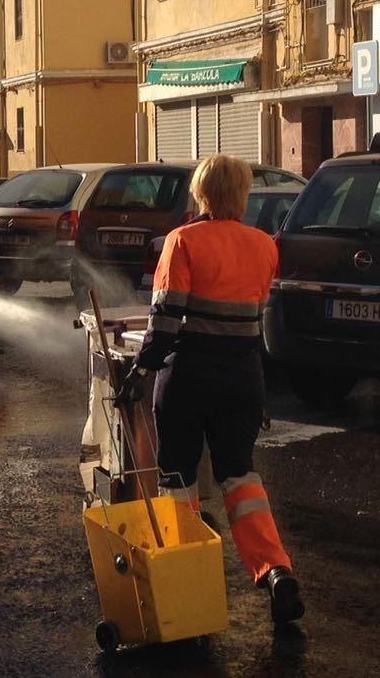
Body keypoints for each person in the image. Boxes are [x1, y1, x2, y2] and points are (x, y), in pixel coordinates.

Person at [120, 153, 304, 625]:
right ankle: (276, 571)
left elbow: (164, 322)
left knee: (179, 479)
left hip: (188, 377)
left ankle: (186, 587)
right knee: (241, 479)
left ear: (200, 192)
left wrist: (141, 370)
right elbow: (253, 316)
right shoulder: (264, 245)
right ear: (243, 194)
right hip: (242, 378)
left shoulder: (183, 241)